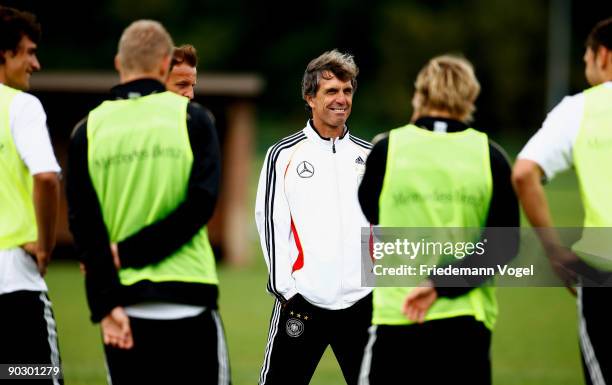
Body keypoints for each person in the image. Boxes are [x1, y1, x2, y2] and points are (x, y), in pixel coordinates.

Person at [66, 20, 229, 384]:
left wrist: (104, 303)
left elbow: (83, 224)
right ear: (162, 66)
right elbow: (200, 206)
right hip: (190, 297)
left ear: (119, 64)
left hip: (122, 307)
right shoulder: (194, 119)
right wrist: (126, 252)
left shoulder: (86, 130)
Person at [357, 55, 519, 385]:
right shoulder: (492, 156)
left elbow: (372, 213)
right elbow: (505, 245)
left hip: (398, 315)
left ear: (420, 94)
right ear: (470, 98)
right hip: (465, 323)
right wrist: (441, 284)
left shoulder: (387, 149)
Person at [254, 49, 373, 385]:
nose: (341, 99)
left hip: (363, 302)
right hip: (304, 301)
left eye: (347, 91)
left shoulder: (370, 155)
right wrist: (287, 291)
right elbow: (270, 221)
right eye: (331, 91)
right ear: (310, 97)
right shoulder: (283, 154)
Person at [512, 17, 612, 385]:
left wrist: (556, 253)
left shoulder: (581, 109)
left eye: (586, 57)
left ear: (602, 55)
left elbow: (524, 173)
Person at [0, 6, 63, 383]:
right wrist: (45, 244)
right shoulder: (21, 106)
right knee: (31, 376)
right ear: (3, 54)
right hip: (14, 285)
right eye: (28, 52)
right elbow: (46, 176)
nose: (35, 63)